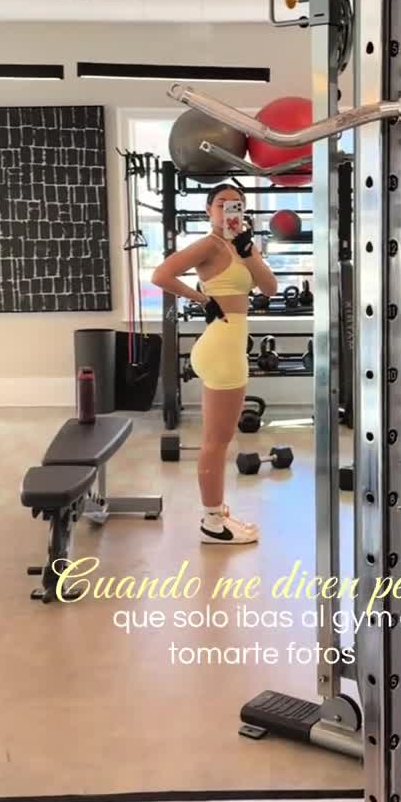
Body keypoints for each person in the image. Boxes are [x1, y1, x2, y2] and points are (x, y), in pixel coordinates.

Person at [151, 182, 278, 544]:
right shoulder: (209, 244)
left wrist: (248, 251)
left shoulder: (244, 245)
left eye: (236, 204)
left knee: (219, 439)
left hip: (229, 345)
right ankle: (212, 523)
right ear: (209, 210)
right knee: (216, 442)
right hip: (222, 346)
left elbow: (269, 288)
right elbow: (161, 274)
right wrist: (202, 299)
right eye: (222, 203)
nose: (229, 209)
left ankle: (217, 512)